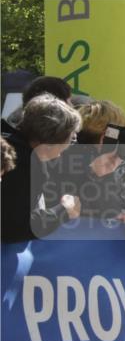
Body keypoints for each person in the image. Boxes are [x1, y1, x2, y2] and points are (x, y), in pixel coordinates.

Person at [1, 94, 82, 241]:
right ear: (51, 141)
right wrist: (64, 210)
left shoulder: (10, 144)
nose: (68, 147)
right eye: (70, 140)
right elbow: (16, 227)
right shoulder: (21, 167)